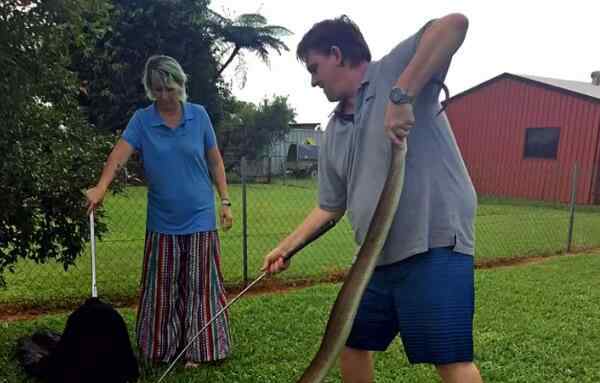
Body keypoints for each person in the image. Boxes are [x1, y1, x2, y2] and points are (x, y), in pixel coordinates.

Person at [262, 14, 483, 383]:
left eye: (315, 68)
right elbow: (330, 206)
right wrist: (286, 247)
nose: (313, 80)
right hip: (374, 259)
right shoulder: (332, 130)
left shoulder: (390, 71)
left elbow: (454, 25)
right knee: (350, 343)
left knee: (450, 358)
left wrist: (402, 96)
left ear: (337, 54)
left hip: (433, 243)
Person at [86, 55, 233, 368]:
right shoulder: (142, 120)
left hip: (200, 217)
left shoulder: (199, 115)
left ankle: (198, 350)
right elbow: (119, 155)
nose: (164, 96)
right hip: (162, 220)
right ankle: (162, 349)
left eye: (169, 88)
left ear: (180, 84)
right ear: (150, 90)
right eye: (157, 90)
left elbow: (215, 160)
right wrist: (101, 187)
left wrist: (225, 201)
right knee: (162, 289)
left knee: (200, 287)